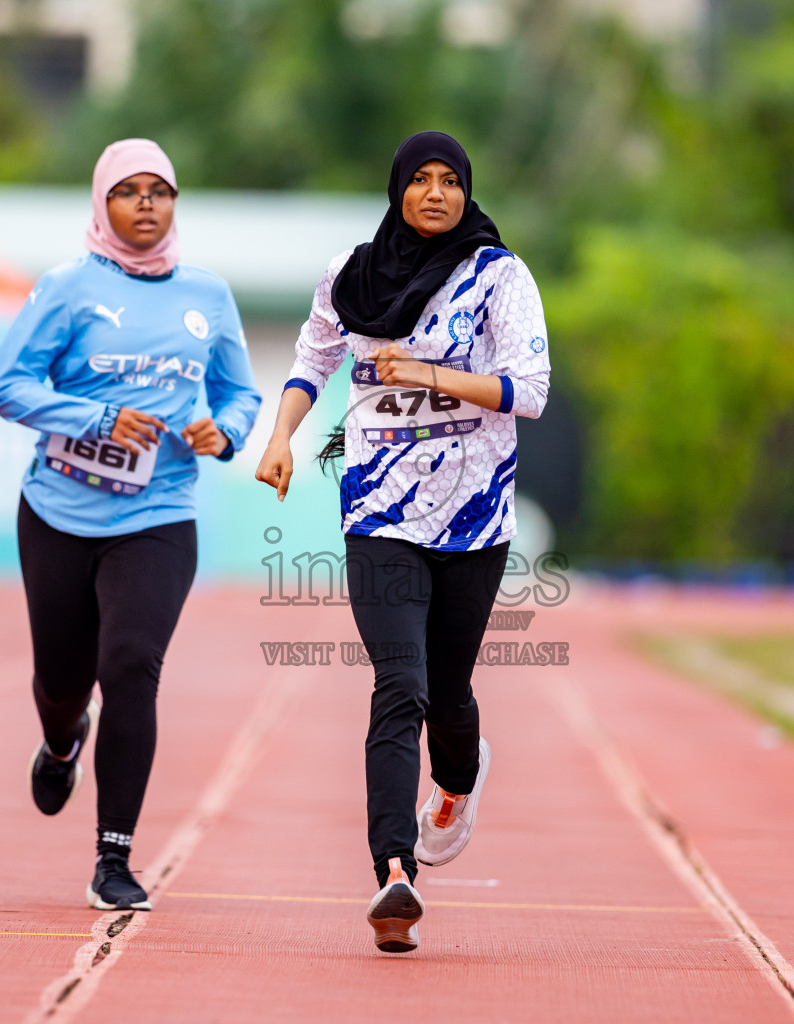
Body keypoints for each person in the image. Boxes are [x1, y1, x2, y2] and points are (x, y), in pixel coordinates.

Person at [254, 130, 549, 952]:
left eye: (449, 180)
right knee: (400, 684)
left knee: (448, 696)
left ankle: (457, 782)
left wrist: (431, 375)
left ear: (466, 193)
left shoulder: (499, 276)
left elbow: (529, 390)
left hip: (472, 521)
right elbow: (313, 360)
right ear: (395, 189)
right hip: (379, 515)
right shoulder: (352, 275)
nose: (434, 193)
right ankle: (394, 872)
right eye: (418, 179)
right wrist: (280, 438)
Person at [0, 138, 261, 911]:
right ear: (102, 204)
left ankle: (114, 858)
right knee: (64, 680)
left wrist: (226, 433)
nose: (147, 203)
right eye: (129, 191)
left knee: (133, 665)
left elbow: (240, 394)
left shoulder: (208, 296)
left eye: (161, 191)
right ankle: (61, 737)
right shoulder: (68, 289)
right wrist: (98, 415)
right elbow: (6, 386)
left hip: (160, 513)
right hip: (59, 511)